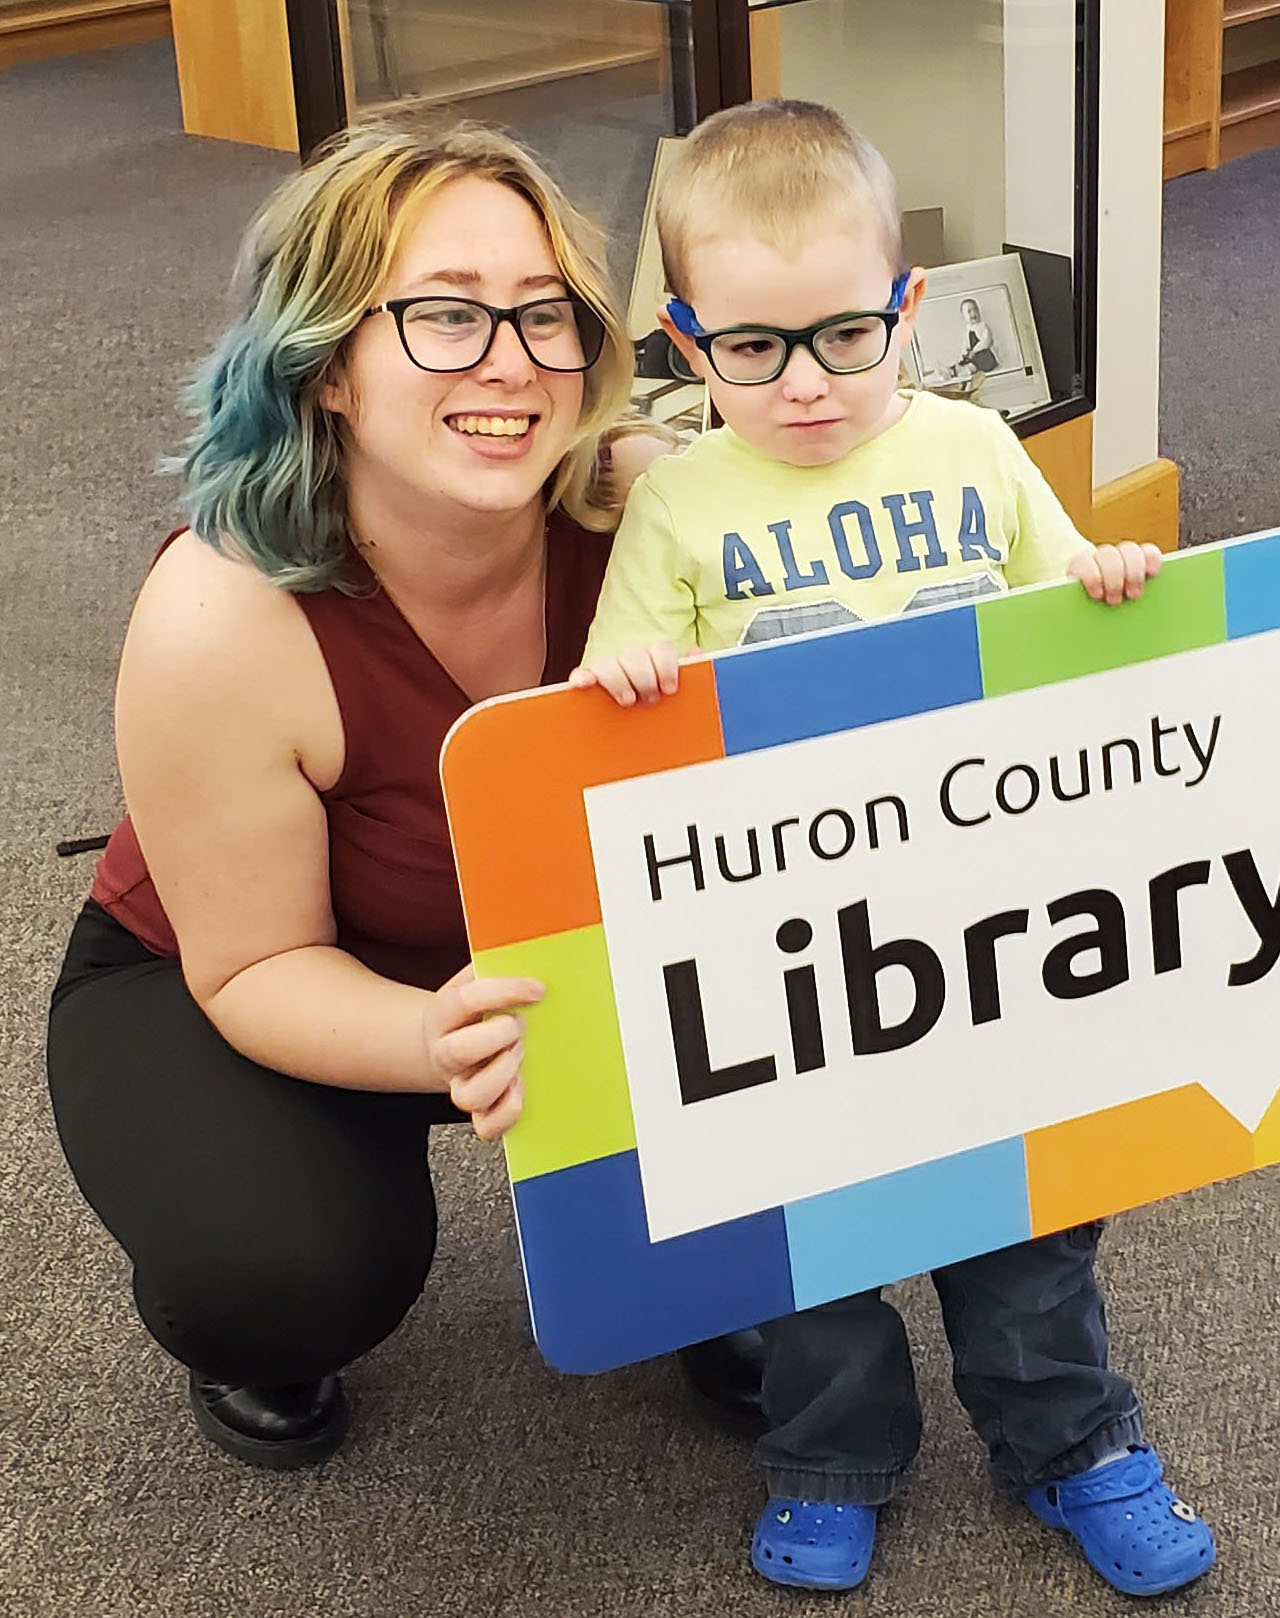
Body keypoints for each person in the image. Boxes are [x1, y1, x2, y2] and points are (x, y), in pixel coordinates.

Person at [572, 98, 1280, 1597]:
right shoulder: (678, 505)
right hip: (801, 962)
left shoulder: (977, 447)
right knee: (818, 1246)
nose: (803, 383)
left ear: (909, 310)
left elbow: (1084, 648)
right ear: (685, 337)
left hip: (1008, 934)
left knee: (1032, 1219)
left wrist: (1109, 576)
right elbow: (618, 730)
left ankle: (1069, 1441)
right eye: (751, 347)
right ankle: (831, 1454)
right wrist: (627, 685)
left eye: (845, 336)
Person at [43, 116, 758, 1473]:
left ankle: (710, 1273)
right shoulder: (221, 613)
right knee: (291, 1268)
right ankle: (265, 1304)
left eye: (545, 316)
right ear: (324, 369)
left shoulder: (651, 516)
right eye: (444, 315)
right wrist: (434, 1042)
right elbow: (254, 960)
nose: (511, 361)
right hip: (253, 965)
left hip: (554, 952)